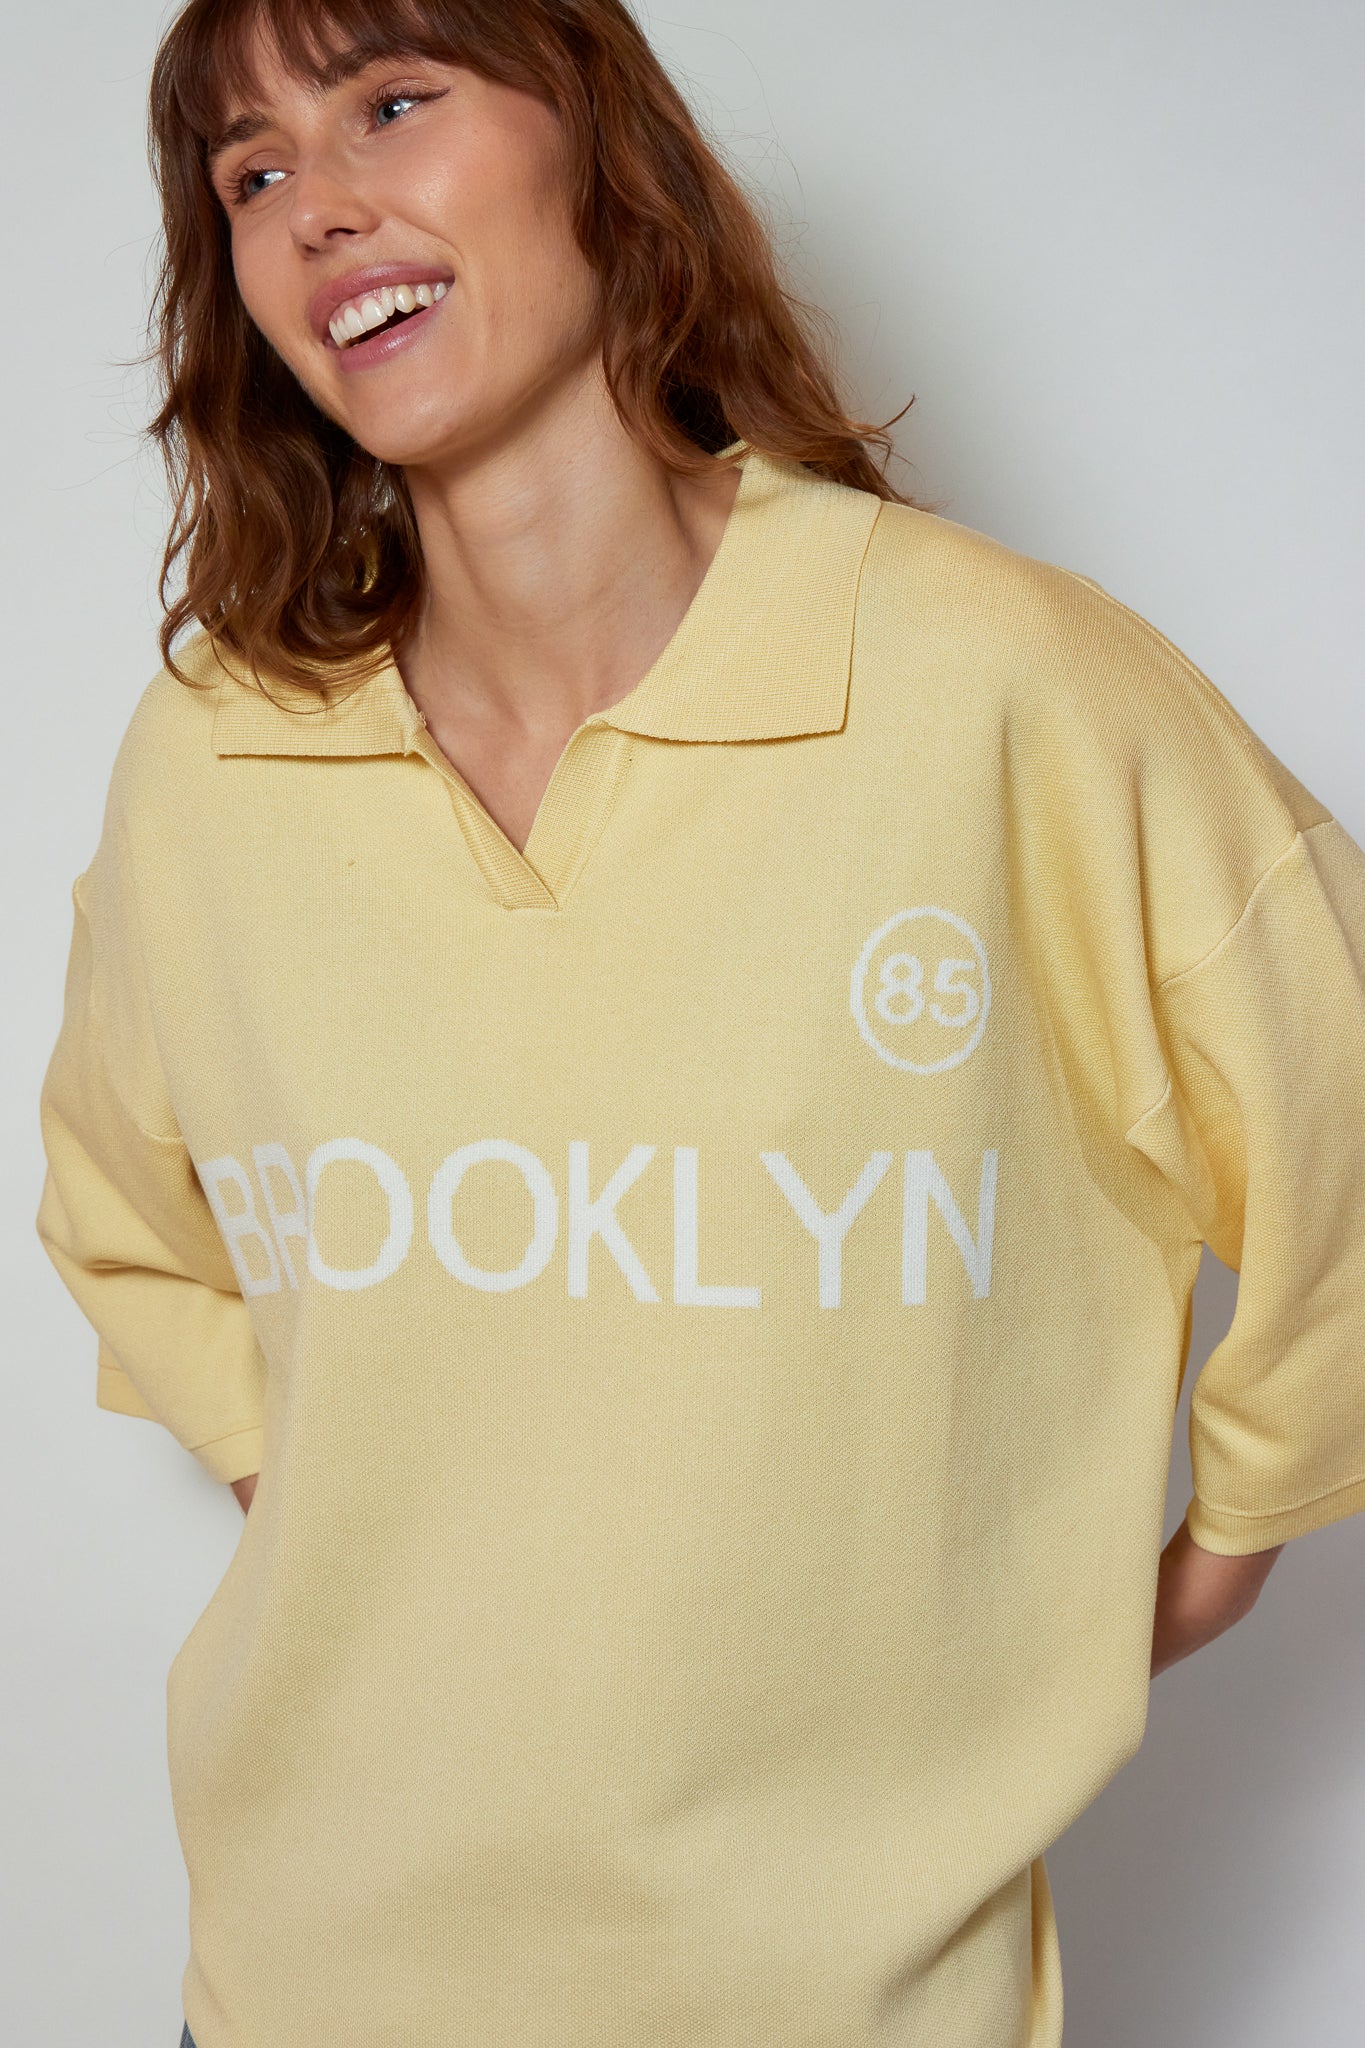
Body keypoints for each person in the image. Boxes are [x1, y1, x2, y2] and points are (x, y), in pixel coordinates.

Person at [33, 1, 1365, 2044]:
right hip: (306, 1980)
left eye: (392, 101)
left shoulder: (997, 685)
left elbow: (1334, 1118)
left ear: (595, 139)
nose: (318, 207)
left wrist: (1193, 1560)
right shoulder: (219, 751)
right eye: (253, 171)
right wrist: (329, 1507)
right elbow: (124, 1212)